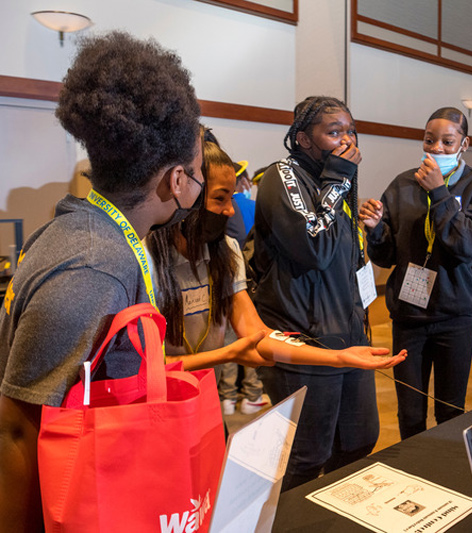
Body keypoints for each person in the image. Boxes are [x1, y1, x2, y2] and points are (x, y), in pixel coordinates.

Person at [0, 32, 210, 532]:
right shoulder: (93, 266)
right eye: (200, 173)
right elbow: (16, 432)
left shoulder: (95, 233)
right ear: (176, 182)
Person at [146, 135, 404, 412]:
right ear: (186, 192)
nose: (230, 210)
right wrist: (227, 354)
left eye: (231, 198)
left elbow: (258, 334)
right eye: (219, 198)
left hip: (203, 404)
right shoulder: (146, 258)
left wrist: (339, 357)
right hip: (153, 409)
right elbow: (144, 370)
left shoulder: (226, 250)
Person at [249, 96, 380, 490]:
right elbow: (315, 247)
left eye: (350, 131)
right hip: (304, 342)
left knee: (359, 441)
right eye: (334, 132)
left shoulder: (335, 186)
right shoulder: (282, 175)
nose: (347, 141)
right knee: (308, 457)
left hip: (349, 338)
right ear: (304, 139)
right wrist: (339, 177)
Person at [360, 107, 472, 439]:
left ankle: (446, 472)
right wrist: (376, 229)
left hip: (455, 316)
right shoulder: (402, 184)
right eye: (429, 140)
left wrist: (439, 192)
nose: (437, 148)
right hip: (409, 317)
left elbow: (467, 248)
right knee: (410, 411)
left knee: (451, 410)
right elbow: (387, 256)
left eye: (447, 142)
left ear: (464, 144)